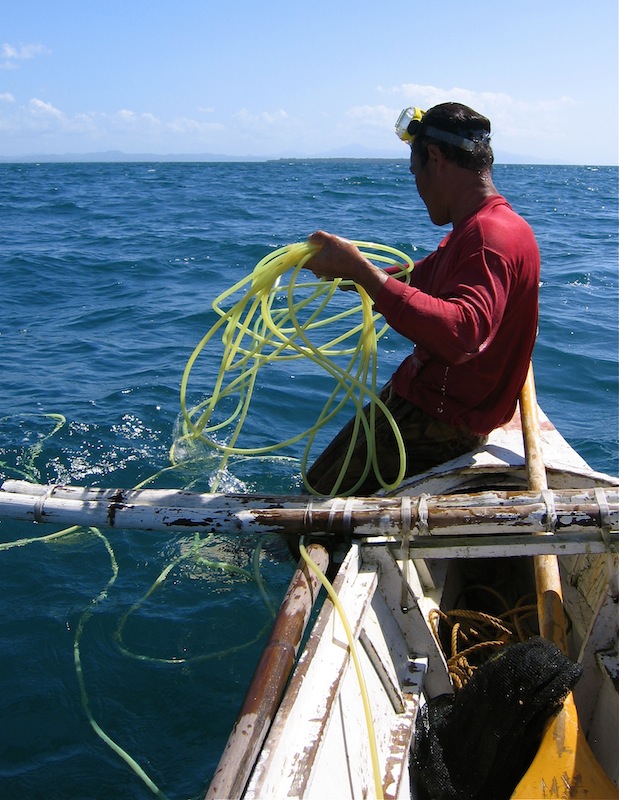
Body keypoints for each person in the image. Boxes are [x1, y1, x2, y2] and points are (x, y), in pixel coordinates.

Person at [303, 102, 540, 496]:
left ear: (434, 157)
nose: (417, 188)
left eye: (416, 172)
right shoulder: (486, 227)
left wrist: (364, 272)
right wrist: (347, 273)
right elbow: (420, 278)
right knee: (315, 488)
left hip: (437, 423)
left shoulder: (489, 237)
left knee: (308, 513)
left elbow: (463, 334)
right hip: (424, 406)